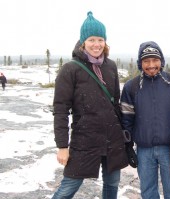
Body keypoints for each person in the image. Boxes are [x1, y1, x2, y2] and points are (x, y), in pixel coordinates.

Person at [52, 11, 128, 199]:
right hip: (85, 139)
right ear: (83, 41)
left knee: (112, 185)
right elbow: (61, 109)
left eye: (100, 39)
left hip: (112, 139)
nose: (97, 44)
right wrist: (62, 145)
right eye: (92, 39)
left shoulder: (110, 66)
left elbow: (115, 103)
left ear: (105, 41)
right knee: (70, 186)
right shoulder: (71, 69)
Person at [121, 41, 170, 199]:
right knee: (148, 191)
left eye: (155, 60)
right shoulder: (132, 87)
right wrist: (128, 146)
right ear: (140, 63)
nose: (151, 65)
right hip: (144, 150)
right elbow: (126, 119)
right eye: (146, 61)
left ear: (161, 61)